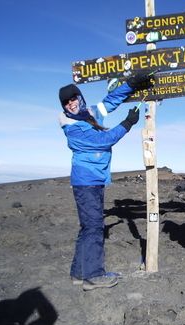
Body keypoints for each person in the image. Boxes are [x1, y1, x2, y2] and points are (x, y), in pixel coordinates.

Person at [58, 73, 153, 291]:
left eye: (73, 98)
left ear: (79, 97)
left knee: (88, 227)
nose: (70, 104)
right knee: (93, 227)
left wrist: (131, 84)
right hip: (87, 181)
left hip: (93, 179)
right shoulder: (72, 127)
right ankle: (94, 275)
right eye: (66, 102)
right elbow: (103, 141)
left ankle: (79, 273)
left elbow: (110, 102)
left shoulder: (88, 113)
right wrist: (127, 123)